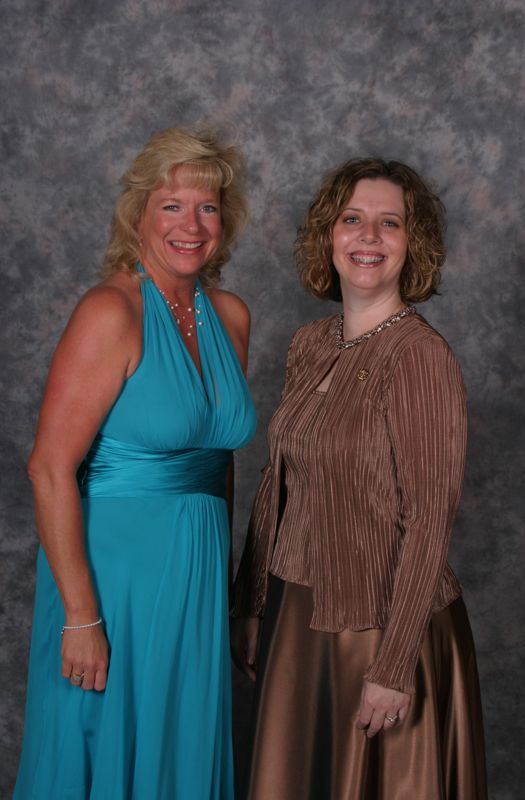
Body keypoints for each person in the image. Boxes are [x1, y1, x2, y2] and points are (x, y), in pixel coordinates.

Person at [232, 158, 487, 799]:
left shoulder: (421, 358)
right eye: (352, 220)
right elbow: (276, 484)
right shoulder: (310, 343)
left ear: (413, 244)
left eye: (389, 223)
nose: (367, 238)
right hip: (297, 618)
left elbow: (428, 519)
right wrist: (252, 603)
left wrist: (393, 666)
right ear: (329, 235)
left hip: (380, 631)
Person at [15, 126, 256, 800]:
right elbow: (48, 469)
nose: (191, 223)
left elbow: (216, 464)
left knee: (178, 751)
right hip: (111, 584)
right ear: (140, 214)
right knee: (107, 746)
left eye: (207, 207)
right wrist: (81, 616)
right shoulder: (110, 311)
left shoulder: (231, 316)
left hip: (196, 577)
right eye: (171, 205)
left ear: (224, 221)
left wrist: (233, 595)